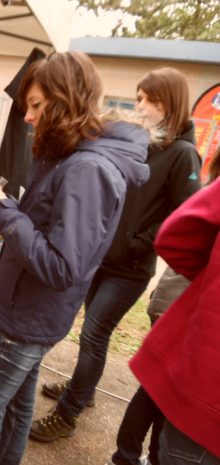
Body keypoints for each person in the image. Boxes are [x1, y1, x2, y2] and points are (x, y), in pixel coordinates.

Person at [0, 51, 150, 465]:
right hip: (33, 312)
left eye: (36, 105)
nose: (27, 117)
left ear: (65, 101)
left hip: (29, 315)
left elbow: (62, 266)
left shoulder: (87, 169)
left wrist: (3, 209)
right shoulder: (72, 156)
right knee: (15, 403)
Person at [31, 67, 201, 443]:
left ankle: (68, 413)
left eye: (145, 100)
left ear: (167, 104)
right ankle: (83, 390)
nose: (138, 106)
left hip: (132, 268)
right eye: (137, 98)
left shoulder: (183, 154)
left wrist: (138, 241)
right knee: (93, 330)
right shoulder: (141, 145)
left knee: (93, 334)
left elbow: (183, 216)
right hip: (104, 258)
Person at [107, 144, 220, 465]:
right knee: (158, 395)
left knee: (157, 395)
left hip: (201, 384)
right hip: (185, 337)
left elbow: (176, 233)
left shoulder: (184, 155)